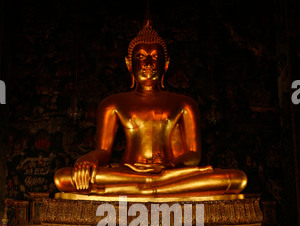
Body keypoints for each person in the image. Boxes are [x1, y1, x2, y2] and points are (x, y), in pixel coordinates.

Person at [54, 19, 247, 197]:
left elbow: (194, 155)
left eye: (155, 57)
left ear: (166, 65)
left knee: (237, 178)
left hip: (170, 173)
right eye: (140, 57)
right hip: (128, 172)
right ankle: (149, 187)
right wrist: (89, 159)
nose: (148, 63)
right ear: (129, 64)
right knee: (63, 178)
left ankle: (144, 188)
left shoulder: (184, 103)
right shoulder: (112, 103)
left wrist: (167, 167)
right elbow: (104, 151)